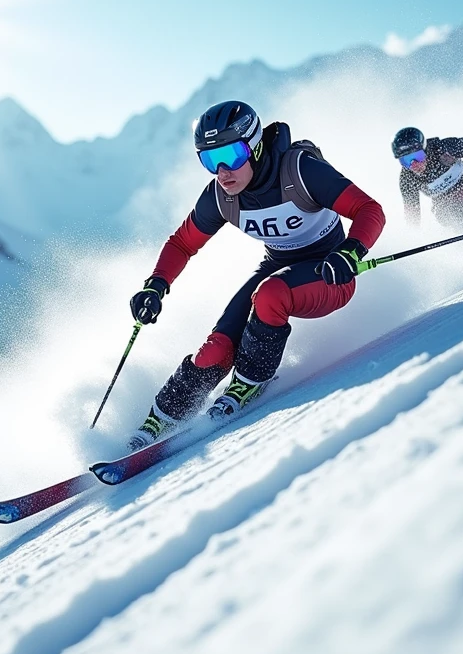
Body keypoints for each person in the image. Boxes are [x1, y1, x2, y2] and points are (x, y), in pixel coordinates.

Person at [127, 100, 386, 449]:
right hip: (277, 268)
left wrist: (351, 251)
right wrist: (155, 286)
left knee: (270, 294)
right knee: (214, 350)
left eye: (231, 155)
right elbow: (182, 243)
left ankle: (251, 380)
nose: (222, 171)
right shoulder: (221, 196)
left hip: (331, 272)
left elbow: (369, 209)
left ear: (255, 144)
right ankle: (162, 418)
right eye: (209, 160)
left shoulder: (300, 171)